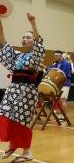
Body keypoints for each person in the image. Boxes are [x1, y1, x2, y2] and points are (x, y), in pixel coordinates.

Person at [0, 13, 45, 162]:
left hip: (27, 92)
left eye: (28, 37)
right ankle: (13, 144)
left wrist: (33, 23)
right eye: (24, 37)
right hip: (13, 89)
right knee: (5, 114)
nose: (25, 39)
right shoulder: (18, 56)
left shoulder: (36, 57)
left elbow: (39, 43)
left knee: (22, 120)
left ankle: (27, 152)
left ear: (33, 42)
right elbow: (3, 44)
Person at [47, 50, 71, 118]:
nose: (54, 57)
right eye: (54, 56)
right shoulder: (56, 63)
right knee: (59, 100)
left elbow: (63, 74)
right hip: (59, 84)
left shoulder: (65, 63)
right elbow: (51, 68)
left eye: (56, 56)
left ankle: (64, 116)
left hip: (65, 83)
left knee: (63, 99)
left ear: (60, 56)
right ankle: (61, 114)